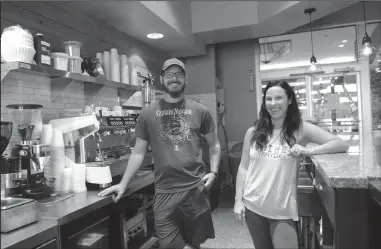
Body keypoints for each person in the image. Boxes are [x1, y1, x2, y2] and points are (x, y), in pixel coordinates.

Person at [99, 58, 221, 249]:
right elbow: (138, 152)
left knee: (194, 244)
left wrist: (213, 172)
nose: (174, 79)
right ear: (162, 79)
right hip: (164, 192)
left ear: (185, 79)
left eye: (179, 74)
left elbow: (214, 145)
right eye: (170, 75)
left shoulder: (200, 111)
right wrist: (123, 184)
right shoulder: (148, 114)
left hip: (195, 190)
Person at [234, 81, 349, 249]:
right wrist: (238, 200)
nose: (273, 103)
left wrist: (308, 151)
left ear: (289, 100)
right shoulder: (253, 132)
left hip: (282, 209)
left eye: (279, 98)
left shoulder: (301, 129)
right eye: (269, 99)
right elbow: (244, 167)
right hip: (253, 205)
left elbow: (340, 144)